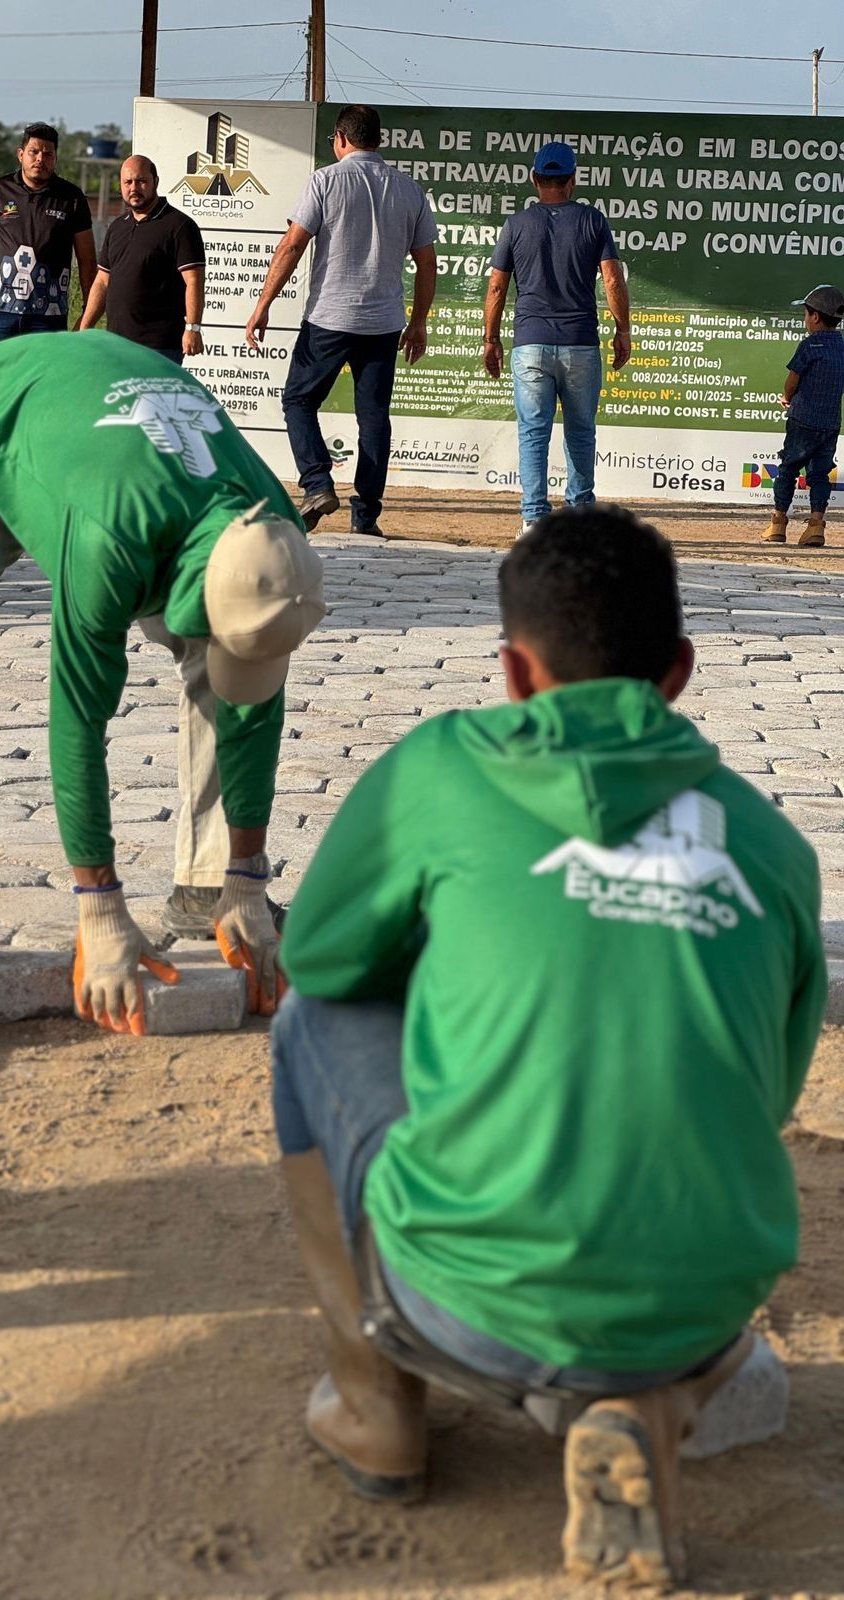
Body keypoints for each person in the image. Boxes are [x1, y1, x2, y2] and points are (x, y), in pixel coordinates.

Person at [271, 506, 825, 1586]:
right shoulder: (773, 844)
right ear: (680, 670)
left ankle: (378, 1409)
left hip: (467, 1307)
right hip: (705, 1314)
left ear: (516, 672)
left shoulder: (442, 769)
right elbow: (769, 1091)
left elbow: (321, 957)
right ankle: (649, 1406)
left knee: (307, 1021)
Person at [0, 331, 325, 1030]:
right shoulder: (113, 538)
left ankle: (209, 887)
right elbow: (78, 715)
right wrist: (99, 908)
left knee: (222, 650)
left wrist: (246, 880)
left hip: (97, 444)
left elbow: (254, 705)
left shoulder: (274, 529)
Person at [245, 104, 437, 539]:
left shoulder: (325, 181)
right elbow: (427, 263)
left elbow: (292, 245)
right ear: (378, 140)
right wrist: (419, 321)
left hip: (329, 318)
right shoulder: (409, 190)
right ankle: (365, 516)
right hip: (383, 322)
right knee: (374, 418)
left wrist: (263, 303)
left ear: (341, 138)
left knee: (298, 400)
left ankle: (317, 483)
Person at [482, 141, 631, 536]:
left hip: (531, 344)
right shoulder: (593, 220)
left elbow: (496, 287)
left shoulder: (516, 225)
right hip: (580, 342)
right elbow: (612, 278)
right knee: (580, 431)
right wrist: (623, 329)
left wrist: (491, 339)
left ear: (534, 179)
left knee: (534, 433)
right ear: (573, 180)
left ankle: (533, 519)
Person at [0, 122, 96, 341]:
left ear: (55, 159)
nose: (40, 159)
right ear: (21, 154)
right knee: (0, 364)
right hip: (1, 311)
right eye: (33, 152)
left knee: (45, 365)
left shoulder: (72, 198)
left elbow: (87, 259)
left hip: (49, 315)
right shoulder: (0, 190)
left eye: (47, 154)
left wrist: (87, 312)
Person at [78, 154, 205, 365]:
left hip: (159, 347)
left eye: (141, 181)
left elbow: (194, 281)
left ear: (156, 181)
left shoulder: (179, 226)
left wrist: (193, 328)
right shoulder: (117, 227)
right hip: (116, 344)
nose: (134, 188)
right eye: (128, 182)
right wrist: (85, 328)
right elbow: (102, 281)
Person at [762, 283, 844, 548]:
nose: (805, 319)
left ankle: (778, 524)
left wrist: (787, 397)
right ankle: (816, 527)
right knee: (820, 474)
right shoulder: (842, 347)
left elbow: (792, 379)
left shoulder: (810, 345)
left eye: (806, 314)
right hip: (830, 422)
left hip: (803, 420)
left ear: (815, 317)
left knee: (788, 469)